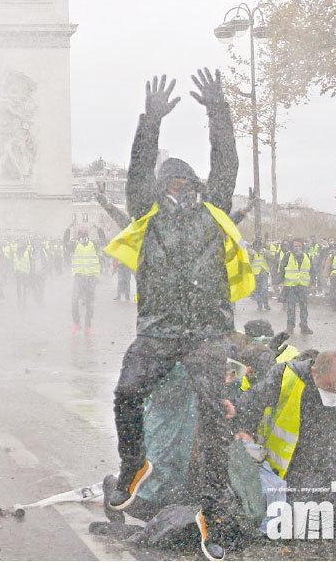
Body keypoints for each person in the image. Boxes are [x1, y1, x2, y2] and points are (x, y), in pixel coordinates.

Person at [103, 71, 246, 561]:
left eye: (187, 182)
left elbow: (227, 161)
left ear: (198, 186)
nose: (180, 188)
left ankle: (215, 500)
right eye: (173, 182)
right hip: (161, 329)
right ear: (162, 187)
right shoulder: (148, 214)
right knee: (126, 392)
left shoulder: (215, 211)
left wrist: (217, 110)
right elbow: (137, 169)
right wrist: (150, 122)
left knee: (212, 414)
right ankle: (132, 465)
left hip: (206, 330)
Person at [236, 351, 336, 504]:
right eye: (329, 387)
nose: (334, 393)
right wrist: (245, 431)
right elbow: (249, 403)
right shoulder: (287, 376)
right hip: (296, 470)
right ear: (313, 373)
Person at [70, 228, 101, 336]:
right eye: (81, 235)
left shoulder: (94, 245)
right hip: (79, 277)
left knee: (89, 303)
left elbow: (103, 241)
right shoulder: (75, 246)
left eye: (84, 234)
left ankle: (88, 326)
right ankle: (77, 324)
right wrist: (68, 230)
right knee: (74, 301)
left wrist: (99, 229)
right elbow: (65, 244)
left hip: (91, 278)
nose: (83, 237)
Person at [279, 239, 313, 335]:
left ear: (302, 246)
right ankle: (290, 327)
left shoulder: (307, 256)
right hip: (291, 286)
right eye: (295, 246)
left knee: (304, 307)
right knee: (291, 307)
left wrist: (313, 283)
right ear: (292, 247)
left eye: (299, 246)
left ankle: (304, 326)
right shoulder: (288, 256)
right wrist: (280, 281)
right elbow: (282, 268)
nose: (297, 248)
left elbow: (312, 270)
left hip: (303, 285)